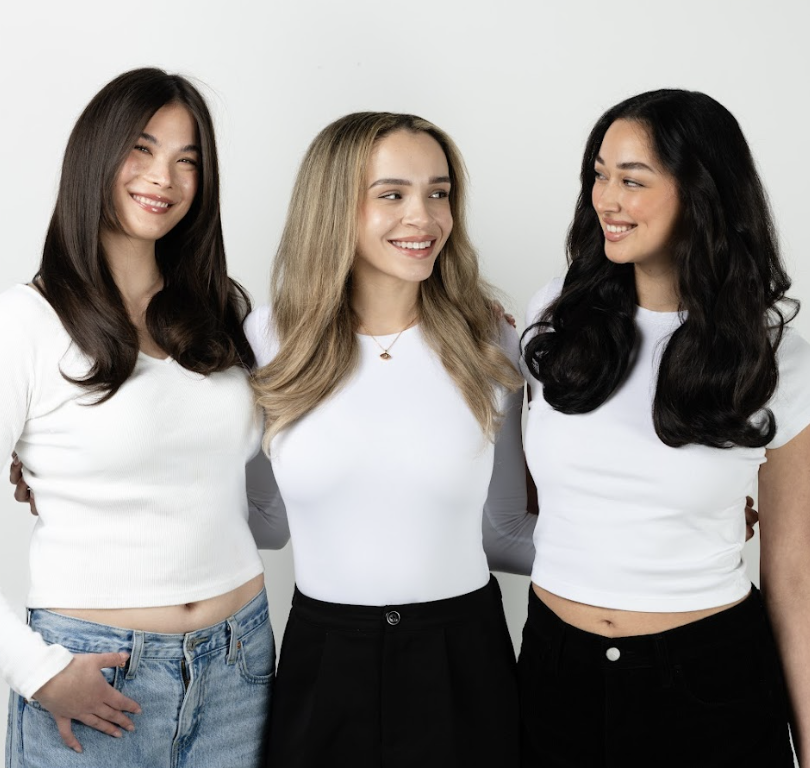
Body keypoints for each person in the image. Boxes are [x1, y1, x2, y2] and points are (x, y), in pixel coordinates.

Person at [1, 68, 287, 768]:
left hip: (239, 665)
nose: (165, 177)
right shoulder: (27, 321)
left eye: (188, 160)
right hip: (92, 678)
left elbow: (267, 501)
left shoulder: (223, 314)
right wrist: (34, 670)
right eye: (142, 148)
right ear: (95, 154)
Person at [519, 89, 810, 766]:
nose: (606, 200)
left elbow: (794, 578)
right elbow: (551, 496)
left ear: (702, 192)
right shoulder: (556, 319)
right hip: (556, 674)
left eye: (632, 180)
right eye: (598, 174)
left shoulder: (776, 357)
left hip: (707, 682)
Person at [245, 111, 537, 767]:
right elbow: (261, 520)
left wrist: (652, 541)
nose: (425, 217)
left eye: (439, 193)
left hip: (466, 661)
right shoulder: (265, 343)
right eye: (393, 194)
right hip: (323, 661)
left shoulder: (491, 344)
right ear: (333, 207)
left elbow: (507, 529)